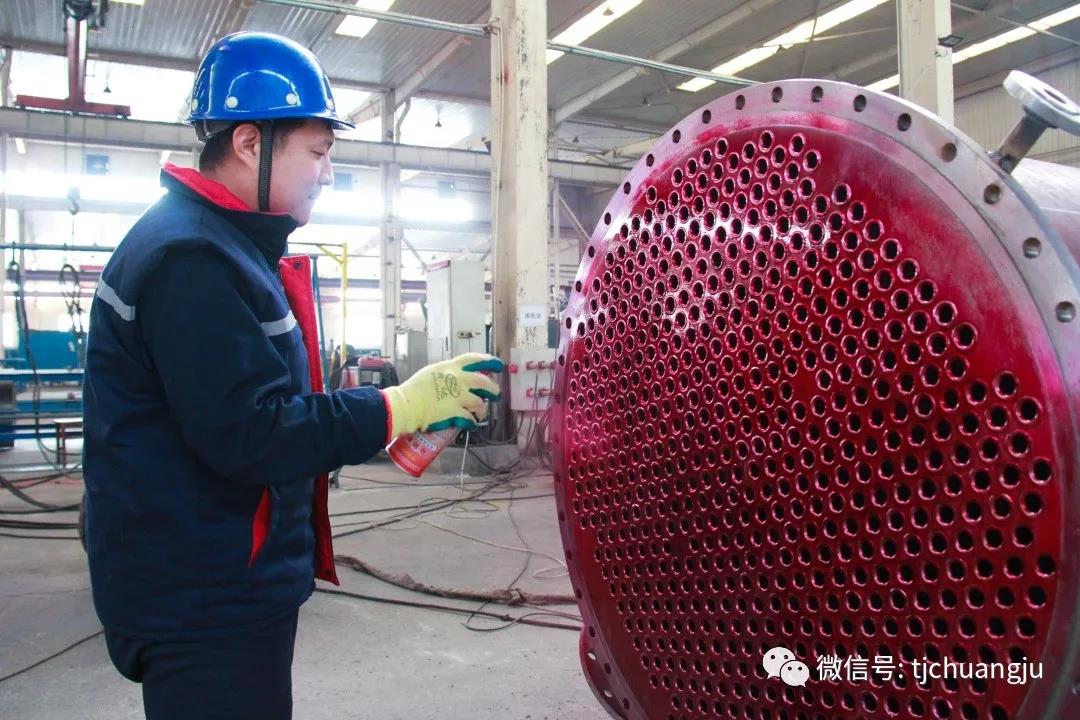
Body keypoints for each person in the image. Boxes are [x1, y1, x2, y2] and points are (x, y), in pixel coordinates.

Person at [81, 31, 503, 720]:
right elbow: (253, 433)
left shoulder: (219, 246)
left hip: (214, 578)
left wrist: (399, 411)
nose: (327, 173)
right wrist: (397, 406)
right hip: (204, 597)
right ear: (251, 143)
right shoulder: (192, 262)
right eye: (319, 151)